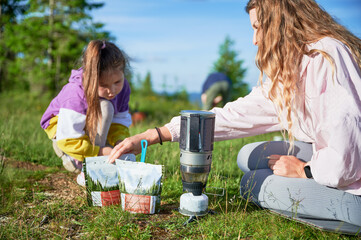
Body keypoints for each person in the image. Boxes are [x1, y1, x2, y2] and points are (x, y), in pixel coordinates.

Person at [108, 0, 361, 230]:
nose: (254, 39)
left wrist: (305, 171)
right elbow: (234, 116)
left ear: (280, 23)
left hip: (352, 181)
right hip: (336, 160)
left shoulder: (324, 56)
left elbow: (347, 146)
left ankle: (346, 220)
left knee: (251, 183)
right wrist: (156, 134)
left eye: (258, 27)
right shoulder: (290, 69)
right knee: (247, 156)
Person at [40, 40, 132, 185]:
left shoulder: (124, 88)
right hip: (65, 130)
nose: (112, 91)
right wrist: (101, 152)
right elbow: (68, 139)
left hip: (94, 122)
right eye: (103, 85)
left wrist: (120, 142)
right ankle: (85, 164)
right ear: (90, 78)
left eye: (117, 82)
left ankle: (93, 154)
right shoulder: (75, 94)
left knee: (106, 110)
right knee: (105, 107)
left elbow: (118, 121)